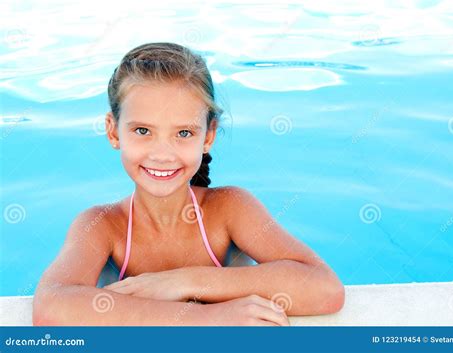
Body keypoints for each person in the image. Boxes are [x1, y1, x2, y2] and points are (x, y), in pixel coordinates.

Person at [33, 42, 344, 326]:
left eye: (183, 133)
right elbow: (50, 306)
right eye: (143, 131)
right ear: (114, 132)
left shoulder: (229, 210)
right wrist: (208, 318)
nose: (162, 154)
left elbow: (324, 288)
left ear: (208, 136)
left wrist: (184, 281)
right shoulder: (103, 226)